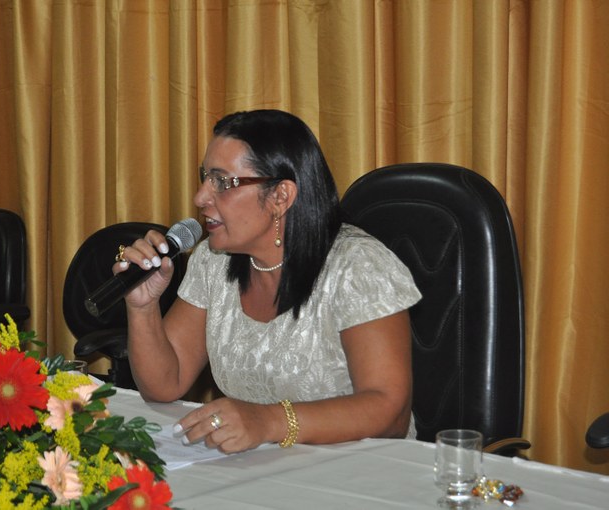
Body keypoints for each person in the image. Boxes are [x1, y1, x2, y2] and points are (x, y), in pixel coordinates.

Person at [115, 109, 421, 454]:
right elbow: (165, 385)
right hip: (259, 464)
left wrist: (268, 422)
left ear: (280, 197)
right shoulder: (213, 261)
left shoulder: (358, 266)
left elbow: (390, 411)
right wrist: (143, 307)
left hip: (362, 467)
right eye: (205, 177)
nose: (201, 197)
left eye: (222, 182)